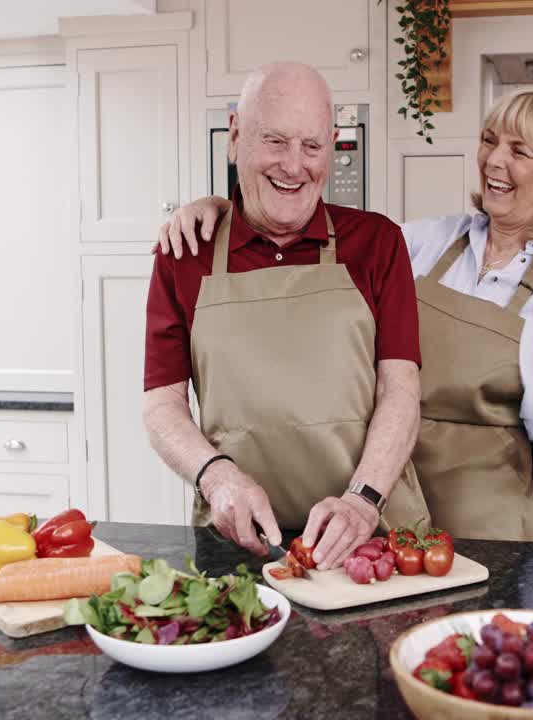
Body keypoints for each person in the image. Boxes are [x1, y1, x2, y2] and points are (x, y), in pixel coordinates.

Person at [158, 88, 533, 541]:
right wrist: (223, 208)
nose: (494, 160)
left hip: (483, 513)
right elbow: (306, 229)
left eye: (520, 151)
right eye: (490, 141)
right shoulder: (419, 242)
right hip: (383, 496)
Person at [142, 62, 432, 571]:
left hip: (372, 539)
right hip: (241, 546)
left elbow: (400, 391)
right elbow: (163, 407)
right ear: (235, 137)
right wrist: (218, 479)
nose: (293, 166)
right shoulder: (184, 253)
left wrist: (363, 501)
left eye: (312, 146)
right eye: (274, 141)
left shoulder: (378, 244)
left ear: (331, 146)